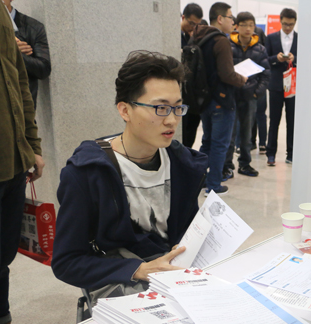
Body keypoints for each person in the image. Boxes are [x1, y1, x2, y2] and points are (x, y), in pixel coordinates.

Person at [52, 51, 208, 305]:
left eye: (177, 107)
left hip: (179, 283)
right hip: (129, 292)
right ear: (125, 110)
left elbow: (188, 230)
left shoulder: (183, 164)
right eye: (160, 108)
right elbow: (67, 262)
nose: (172, 120)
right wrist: (138, 269)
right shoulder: (87, 173)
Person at [0, 2, 49, 324]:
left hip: (10, 161)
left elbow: (18, 81)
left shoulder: (2, 13)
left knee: (1, 258)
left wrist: (31, 143)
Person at [193, 2, 246, 195]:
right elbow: (227, 74)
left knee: (207, 142)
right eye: (231, 17)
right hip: (221, 101)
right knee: (219, 144)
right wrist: (242, 79)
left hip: (204, 100)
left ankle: (199, 180)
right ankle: (213, 185)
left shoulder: (199, 37)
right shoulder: (221, 41)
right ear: (220, 18)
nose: (233, 22)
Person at [222, 11, 270, 178]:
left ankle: (244, 164)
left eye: (251, 25)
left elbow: (266, 74)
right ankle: (227, 166)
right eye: (244, 25)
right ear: (237, 26)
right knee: (229, 133)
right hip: (231, 96)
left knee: (246, 134)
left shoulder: (260, 49)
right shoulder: (227, 45)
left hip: (250, 97)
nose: (248, 29)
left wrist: (257, 93)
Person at [3, 0, 51, 110]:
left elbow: (43, 69)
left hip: (21, 107)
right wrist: (6, 49)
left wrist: (16, 54)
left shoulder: (33, 27)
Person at [265, 8, 297, 166]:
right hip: (276, 84)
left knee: (292, 121)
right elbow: (265, 58)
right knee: (274, 121)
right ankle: (271, 153)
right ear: (280, 21)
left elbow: (308, 59)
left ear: (295, 23)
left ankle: (291, 153)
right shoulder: (271, 38)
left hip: (293, 86)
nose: (288, 27)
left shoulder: (300, 39)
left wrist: (294, 59)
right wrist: (276, 58)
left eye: (291, 24)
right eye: (285, 24)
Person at [180, 3, 203, 148]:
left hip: (193, 93)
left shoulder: (196, 37)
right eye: (191, 23)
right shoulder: (174, 36)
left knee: (191, 130)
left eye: (197, 25)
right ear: (183, 18)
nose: (193, 27)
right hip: (180, 92)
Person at [251, 25, 268, 154]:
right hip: (259, 85)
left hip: (255, 86)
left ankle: (253, 143)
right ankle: (261, 144)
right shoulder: (262, 51)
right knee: (259, 115)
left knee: (256, 115)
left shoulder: (259, 51)